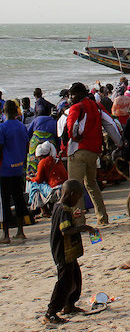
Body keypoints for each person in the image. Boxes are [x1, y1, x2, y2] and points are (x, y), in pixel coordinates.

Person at [44, 180, 97, 324]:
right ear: (71, 194)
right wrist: (83, 227)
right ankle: (51, 313)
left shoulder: (59, 206)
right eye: (78, 197)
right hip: (63, 252)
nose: (78, 200)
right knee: (64, 282)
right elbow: (65, 230)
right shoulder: (64, 210)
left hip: (68, 253)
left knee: (76, 277)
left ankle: (69, 305)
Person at [65, 82, 108, 225]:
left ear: (79, 94)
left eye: (72, 94)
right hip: (94, 151)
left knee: (74, 187)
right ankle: (102, 217)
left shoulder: (76, 107)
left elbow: (72, 129)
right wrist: (119, 143)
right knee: (91, 183)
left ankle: (79, 221)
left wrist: (75, 137)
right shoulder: (96, 105)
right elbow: (110, 123)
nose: (70, 97)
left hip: (79, 151)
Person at [0, 100, 30, 243]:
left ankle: (5, 235)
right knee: (18, 199)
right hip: (18, 168)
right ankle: (20, 231)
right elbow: (26, 145)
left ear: (4, 112)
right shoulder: (22, 126)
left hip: (4, 170)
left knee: (5, 201)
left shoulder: (2, 127)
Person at [29, 141, 68, 215]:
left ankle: (39, 208)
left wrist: (31, 178)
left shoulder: (43, 162)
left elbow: (38, 180)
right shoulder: (56, 159)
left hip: (55, 190)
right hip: (63, 187)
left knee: (34, 185)